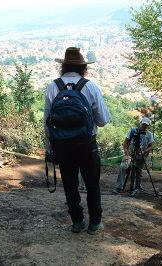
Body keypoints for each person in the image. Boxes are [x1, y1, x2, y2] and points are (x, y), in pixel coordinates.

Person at [44, 47, 109, 234]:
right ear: (83, 68)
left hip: (62, 146)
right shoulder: (91, 87)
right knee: (92, 184)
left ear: (63, 67)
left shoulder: (52, 87)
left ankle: (77, 221)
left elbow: (47, 122)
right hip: (86, 145)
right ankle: (95, 223)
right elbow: (103, 121)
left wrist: (50, 148)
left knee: (70, 185)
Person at [114, 117, 154, 195]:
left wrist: (144, 152)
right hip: (130, 154)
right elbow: (125, 143)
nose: (144, 126)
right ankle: (119, 187)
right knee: (123, 167)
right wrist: (127, 155)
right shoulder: (132, 131)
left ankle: (137, 186)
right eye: (143, 124)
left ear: (148, 126)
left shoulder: (149, 134)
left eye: (146, 125)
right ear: (140, 123)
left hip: (141, 156)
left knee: (138, 171)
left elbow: (151, 145)